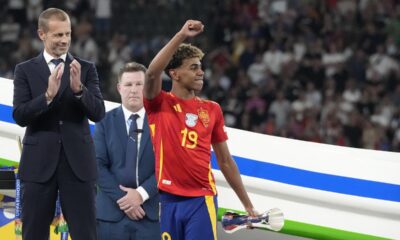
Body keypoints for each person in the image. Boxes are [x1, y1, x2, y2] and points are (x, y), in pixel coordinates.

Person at [143, 20, 257, 240]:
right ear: (174, 74)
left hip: (200, 200)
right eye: (193, 67)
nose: (200, 72)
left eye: (201, 67)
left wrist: (248, 205)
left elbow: (225, 161)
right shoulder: (159, 103)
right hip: (167, 201)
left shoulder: (212, 110)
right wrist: (181, 35)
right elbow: (150, 74)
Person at [12, 8, 105, 240]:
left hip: (78, 166)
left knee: (86, 234)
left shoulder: (86, 68)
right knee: (33, 234)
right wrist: (46, 97)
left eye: (67, 34)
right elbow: (20, 115)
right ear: (42, 34)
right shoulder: (24, 70)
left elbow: (99, 113)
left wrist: (79, 91)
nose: (64, 40)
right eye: (58, 35)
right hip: (38, 165)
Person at [94, 62, 160, 239]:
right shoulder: (103, 122)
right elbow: (97, 166)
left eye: (139, 84)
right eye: (128, 85)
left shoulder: (161, 122)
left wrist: (141, 194)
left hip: (150, 216)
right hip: (110, 216)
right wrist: (126, 200)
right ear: (119, 88)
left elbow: (167, 165)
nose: (134, 90)